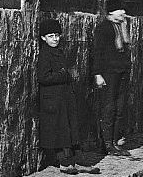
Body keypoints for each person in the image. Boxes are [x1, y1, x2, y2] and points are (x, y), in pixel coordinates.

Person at [37, 18, 100, 175]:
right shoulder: (45, 54)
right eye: (51, 36)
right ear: (43, 38)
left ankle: (79, 161)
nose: (55, 39)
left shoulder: (59, 51)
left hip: (64, 98)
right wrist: (63, 75)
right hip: (53, 100)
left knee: (71, 130)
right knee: (59, 132)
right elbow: (43, 77)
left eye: (57, 35)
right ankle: (65, 163)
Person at [92, 0, 131, 156]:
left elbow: (125, 50)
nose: (123, 12)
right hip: (108, 74)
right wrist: (97, 74)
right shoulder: (103, 28)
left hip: (121, 73)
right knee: (109, 108)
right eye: (119, 9)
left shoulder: (123, 27)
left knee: (120, 108)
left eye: (123, 9)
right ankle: (107, 144)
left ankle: (114, 142)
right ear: (110, 12)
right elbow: (97, 53)